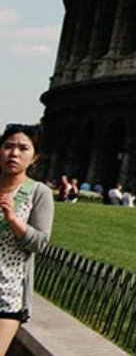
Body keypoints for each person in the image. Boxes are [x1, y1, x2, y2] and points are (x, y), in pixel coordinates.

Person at [0, 125, 53, 356]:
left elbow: (39, 242)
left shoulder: (38, 193)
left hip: (7, 293)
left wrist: (13, 220)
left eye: (23, 148)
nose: (14, 153)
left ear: (34, 157)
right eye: (8, 146)